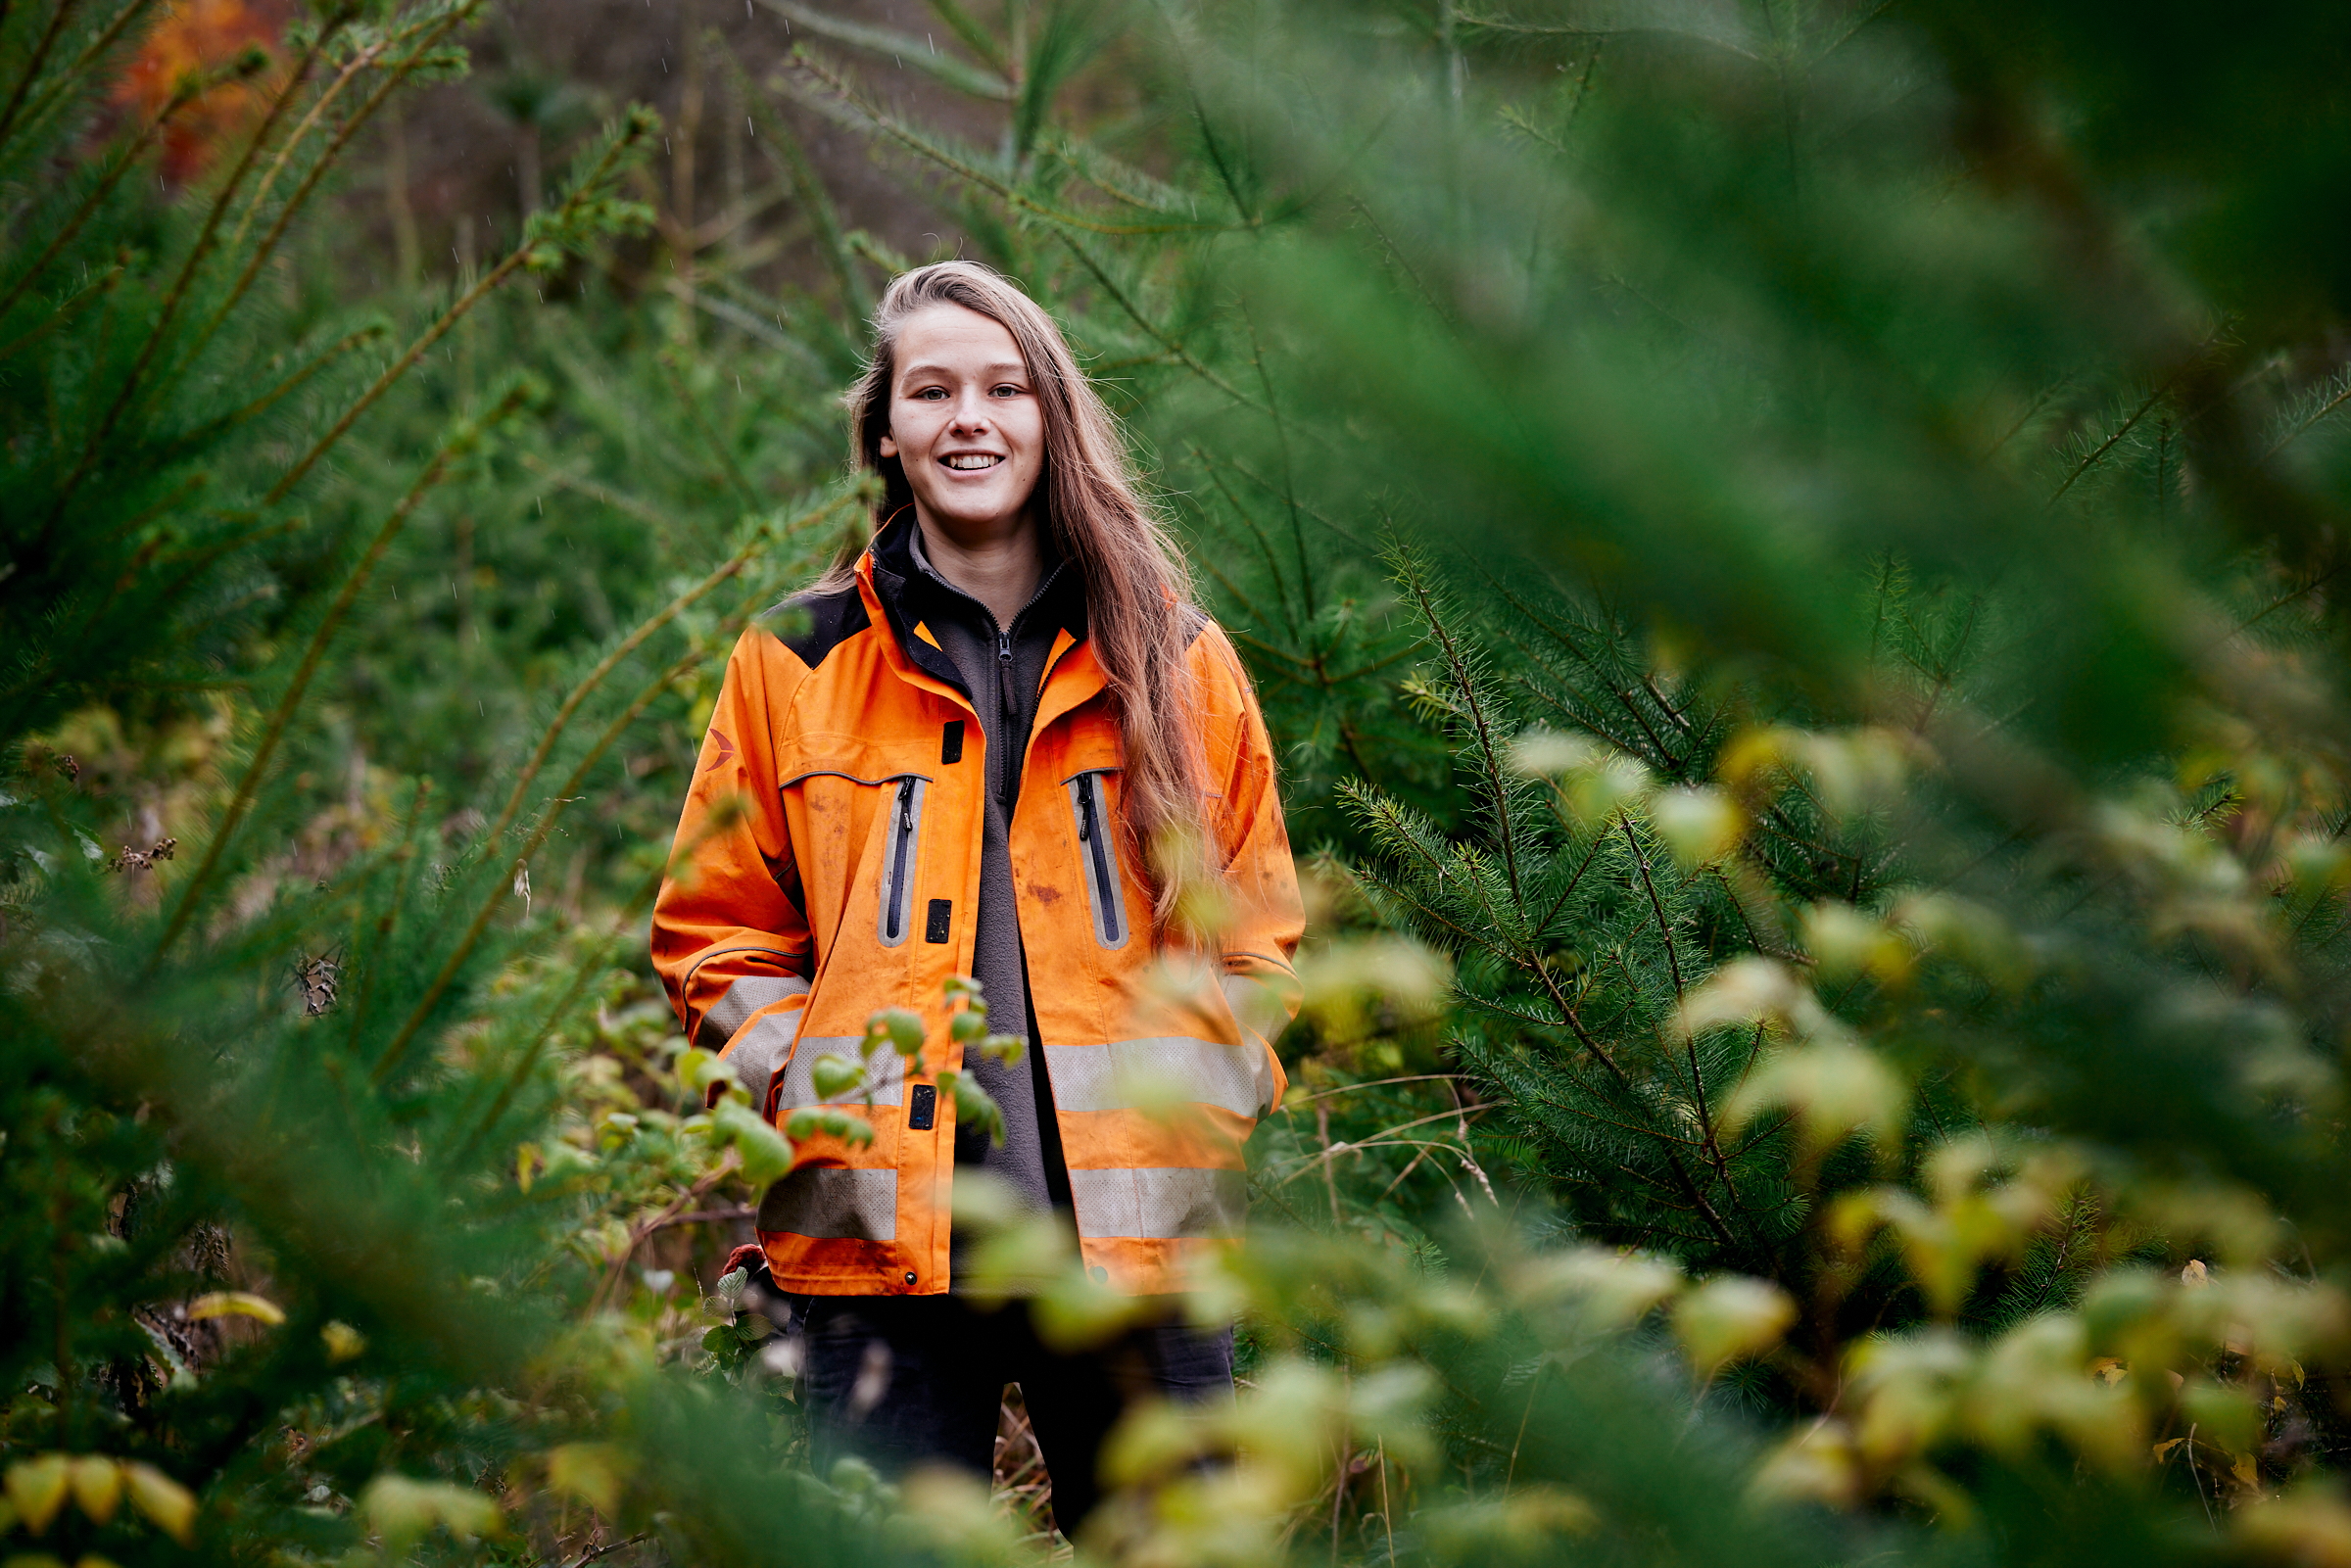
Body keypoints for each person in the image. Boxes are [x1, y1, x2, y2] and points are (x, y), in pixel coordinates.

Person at [649, 261, 1303, 1535]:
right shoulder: (794, 660)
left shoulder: (1174, 657)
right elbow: (713, 929)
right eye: (932, 389)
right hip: (875, 1253)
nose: (970, 418)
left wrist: (1205, 1108)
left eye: (1004, 387)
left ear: (1049, 417)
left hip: (1142, 1254)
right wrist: (809, 1094)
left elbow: (1255, 933)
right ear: (884, 429)